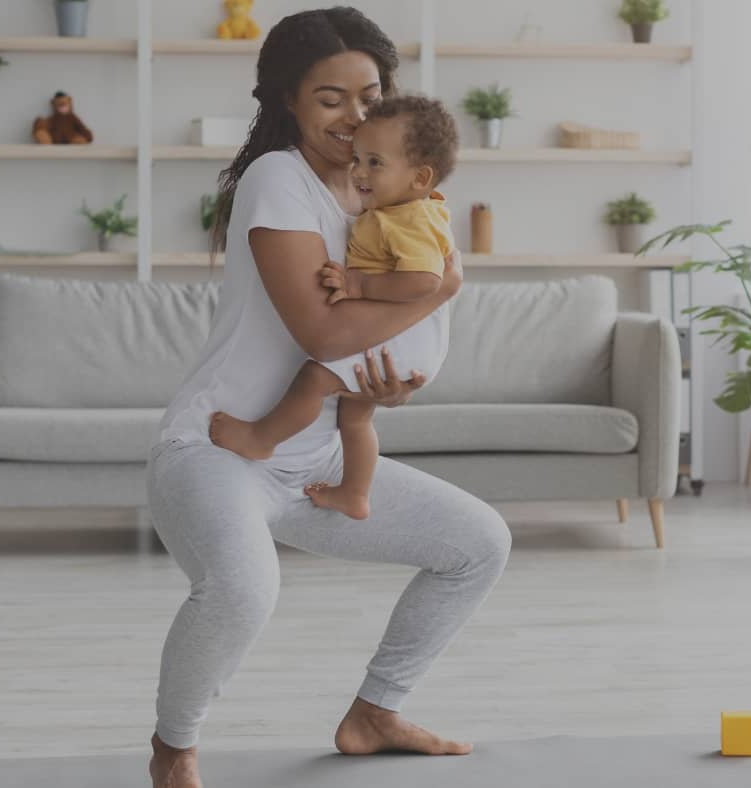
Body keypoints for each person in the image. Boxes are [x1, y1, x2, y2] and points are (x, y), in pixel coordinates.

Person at [145, 8, 512, 788]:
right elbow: (320, 332)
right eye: (330, 99)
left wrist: (387, 388)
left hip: (314, 459)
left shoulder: (385, 192)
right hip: (218, 449)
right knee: (245, 588)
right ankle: (175, 747)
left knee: (479, 542)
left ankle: (375, 713)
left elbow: (364, 343)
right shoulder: (278, 178)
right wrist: (440, 290)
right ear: (288, 101)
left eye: (370, 95)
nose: (354, 117)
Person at [207, 94, 460, 521]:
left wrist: (359, 283)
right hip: (408, 339)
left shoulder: (411, 219)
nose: (358, 172)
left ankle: (261, 438)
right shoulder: (402, 210)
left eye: (374, 163)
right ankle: (355, 493)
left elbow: (426, 281)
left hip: (402, 335)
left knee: (313, 379)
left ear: (420, 178)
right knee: (356, 419)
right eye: (358, 159)